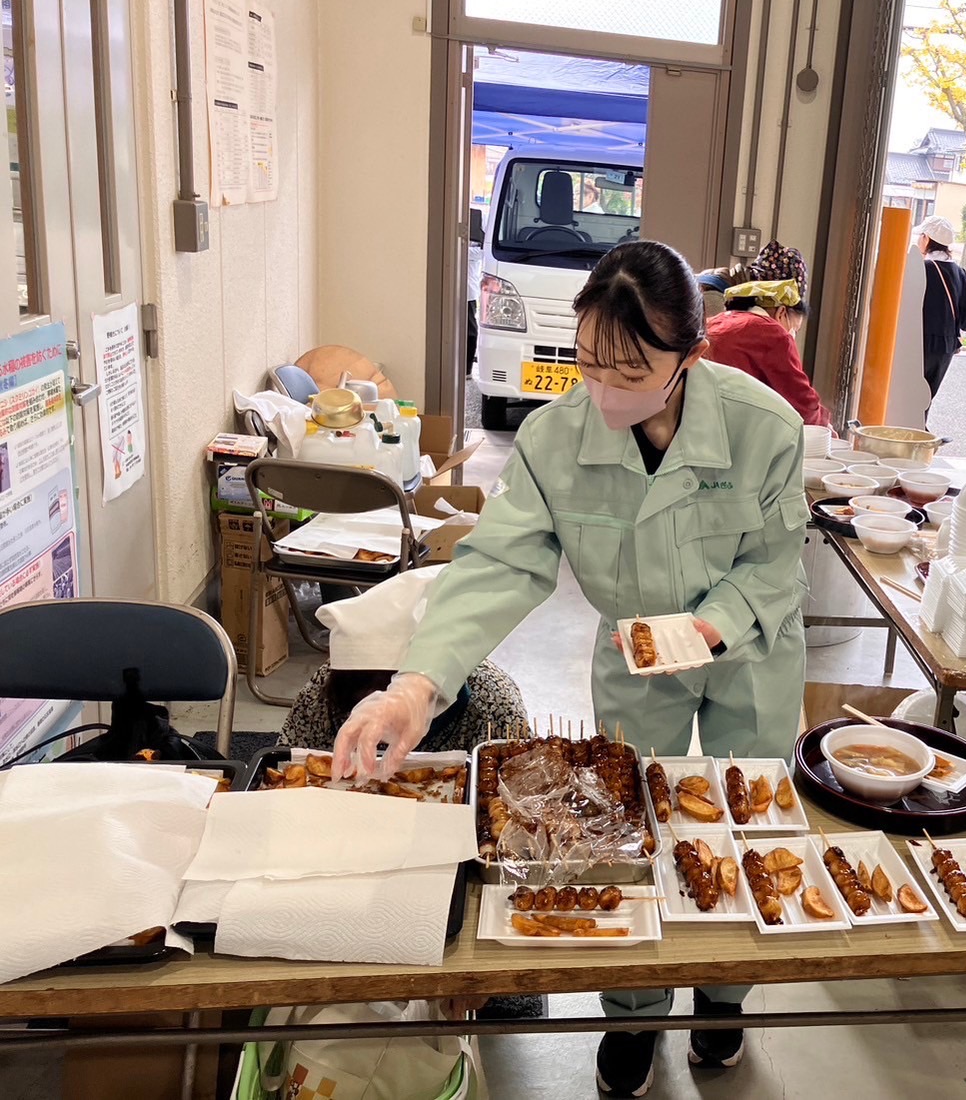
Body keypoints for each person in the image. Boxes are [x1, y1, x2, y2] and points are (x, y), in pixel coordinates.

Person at [330, 240, 809, 1098]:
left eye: (629, 371)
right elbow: (499, 564)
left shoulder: (762, 426)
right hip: (635, 660)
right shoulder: (557, 439)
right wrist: (415, 684)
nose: (603, 389)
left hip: (749, 656)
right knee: (620, 833)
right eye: (588, 363)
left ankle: (723, 999)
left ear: (689, 357)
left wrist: (713, 625)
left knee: (742, 826)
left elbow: (777, 564)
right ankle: (630, 1012)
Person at [278, 568, 527, 753]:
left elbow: (515, 799)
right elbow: (286, 763)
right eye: (363, 699)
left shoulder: (494, 704)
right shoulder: (320, 694)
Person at [703, 241, 831, 426]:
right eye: (794, 328)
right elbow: (805, 408)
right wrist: (829, 428)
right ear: (781, 313)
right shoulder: (773, 334)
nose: (792, 335)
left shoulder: (719, 319)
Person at [916, 215, 966, 410]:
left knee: (909, 397)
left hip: (919, 343)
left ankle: (912, 435)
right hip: (946, 347)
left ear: (926, 239)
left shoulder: (921, 268)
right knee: (925, 400)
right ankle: (921, 435)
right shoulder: (959, 272)